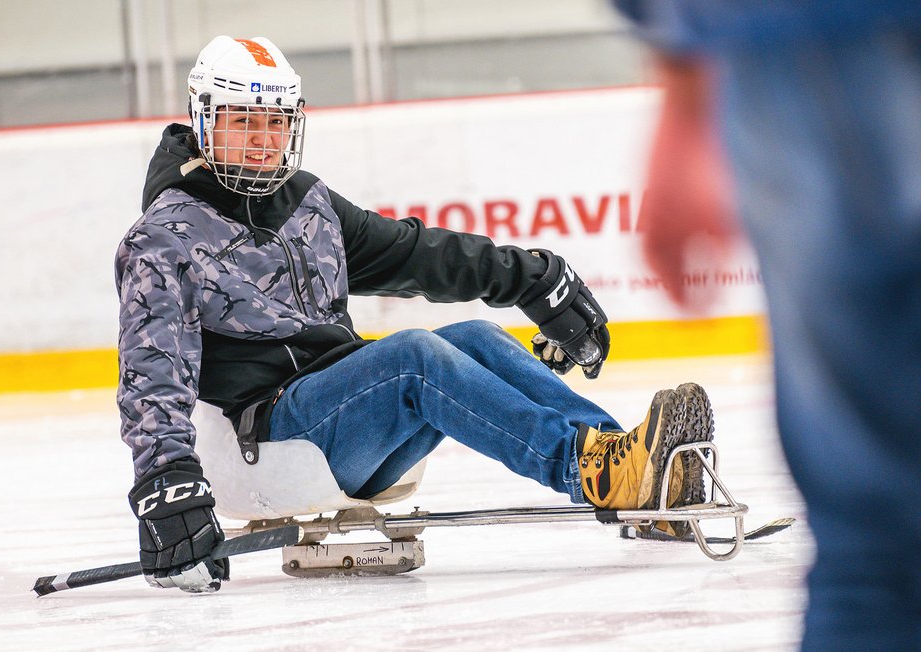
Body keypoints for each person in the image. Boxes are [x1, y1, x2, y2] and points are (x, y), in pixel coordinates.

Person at [115, 35, 716, 594]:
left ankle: (632, 467)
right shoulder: (164, 239)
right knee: (413, 359)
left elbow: (414, 253)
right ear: (201, 120)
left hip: (338, 414)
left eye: (276, 122)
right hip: (269, 437)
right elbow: (152, 373)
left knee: (475, 337)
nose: (263, 139)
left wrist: (531, 277)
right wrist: (165, 481)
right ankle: (591, 472)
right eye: (242, 122)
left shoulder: (306, 203)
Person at [612, 2, 921, 649]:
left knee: (875, 543)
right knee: (874, 543)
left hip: (801, 40)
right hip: (823, 39)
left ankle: (598, 456)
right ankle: (599, 457)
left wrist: (684, 77)